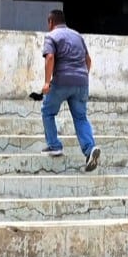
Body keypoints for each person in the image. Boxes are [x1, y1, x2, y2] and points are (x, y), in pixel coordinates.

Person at [40, 9, 100, 172]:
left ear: (51, 22)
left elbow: (50, 57)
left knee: (47, 111)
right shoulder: (77, 36)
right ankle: (90, 150)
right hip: (81, 82)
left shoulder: (51, 36)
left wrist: (47, 82)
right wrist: (82, 76)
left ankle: (54, 145)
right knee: (80, 117)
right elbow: (88, 60)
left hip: (62, 81)